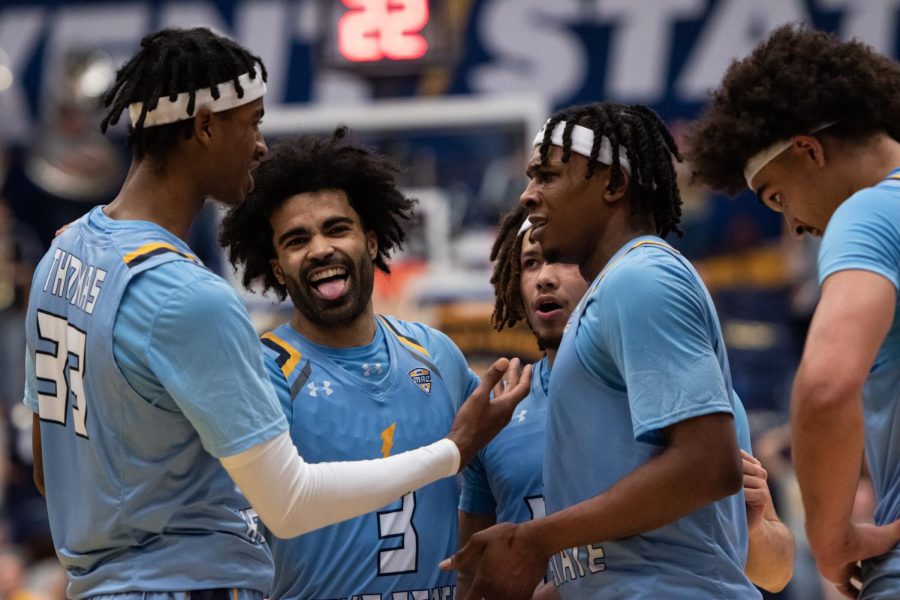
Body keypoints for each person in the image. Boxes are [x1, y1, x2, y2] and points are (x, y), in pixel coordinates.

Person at [23, 27, 529, 600]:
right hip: (185, 584)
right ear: (207, 125)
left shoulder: (61, 256)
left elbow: (49, 472)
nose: (261, 145)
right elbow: (288, 505)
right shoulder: (191, 297)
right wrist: (451, 450)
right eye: (253, 121)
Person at [441, 102, 761, 599]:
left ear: (613, 185)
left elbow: (708, 466)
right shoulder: (608, 297)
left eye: (546, 176)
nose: (527, 196)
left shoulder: (642, 278)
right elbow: (625, 556)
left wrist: (536, 539)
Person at [457, 207, 795, 597]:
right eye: (530, 264)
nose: (545, 278)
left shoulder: (687, 388)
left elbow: (776, 572)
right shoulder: (500, 416)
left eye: (563, 260)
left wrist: (750, 527)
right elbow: (472, 575)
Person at [218, 130, 491, 600]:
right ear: (278, 268)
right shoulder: (263, 373)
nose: (321, 248)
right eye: (297, 240)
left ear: (370, 241)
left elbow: (492, 469)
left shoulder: (436, 352)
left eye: (336, 228)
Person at [684, 24, 900, 599]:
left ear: (809, 150)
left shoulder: (869, 215)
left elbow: (827, 386)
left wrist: (831, 540)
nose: (794, 225)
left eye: (778, 197)